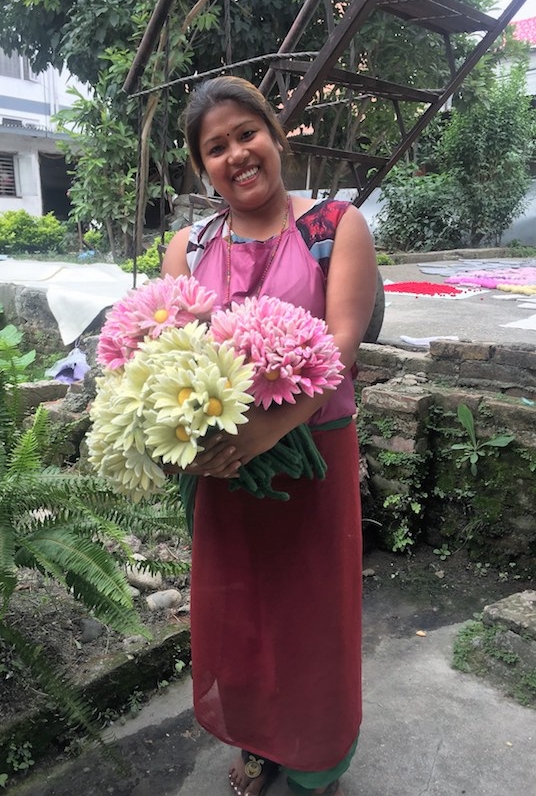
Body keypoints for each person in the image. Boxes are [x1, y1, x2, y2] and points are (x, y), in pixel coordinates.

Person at [162, 76, 378, 796]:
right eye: (215, 148)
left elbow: (342, 345)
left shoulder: (334, 227)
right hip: (226, 466)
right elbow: (167, 360)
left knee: (312, 613)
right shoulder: (187, 249)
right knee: (241, 608)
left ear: (276, 135)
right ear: (203, 169)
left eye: (246, 134)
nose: (236, 155)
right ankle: (259, 740)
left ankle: (318, 756)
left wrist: (269, 429)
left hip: (314, 449)